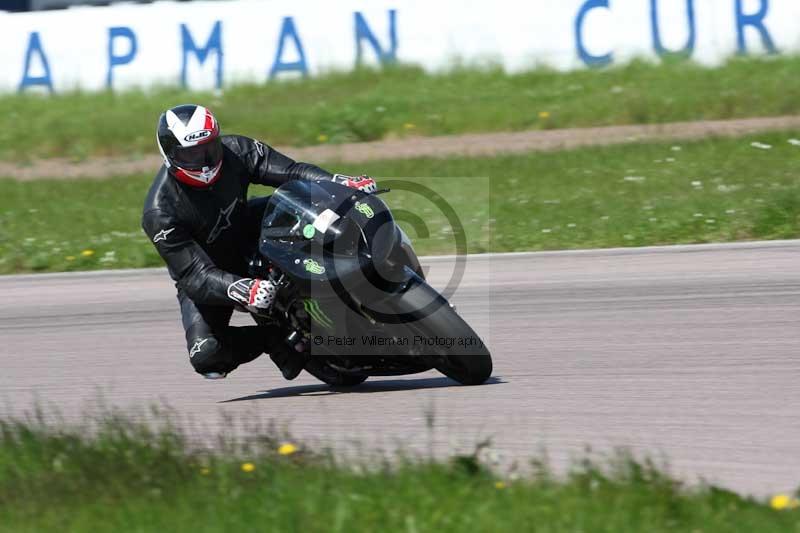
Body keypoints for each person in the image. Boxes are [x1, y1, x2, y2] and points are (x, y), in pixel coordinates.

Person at [141, 104, 376, 381]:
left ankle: (368, 263)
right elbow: (193, 275)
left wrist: (336, 182)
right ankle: (272, 337)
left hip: (250, 227)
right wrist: (237, 287)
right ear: (170, 155)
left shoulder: (235, 150)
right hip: (211, 272)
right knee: (206, 355)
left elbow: (292, 172)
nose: (204, 160)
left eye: (208, 148)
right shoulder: (160, 212)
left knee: (304, 201)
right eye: (191, 154)